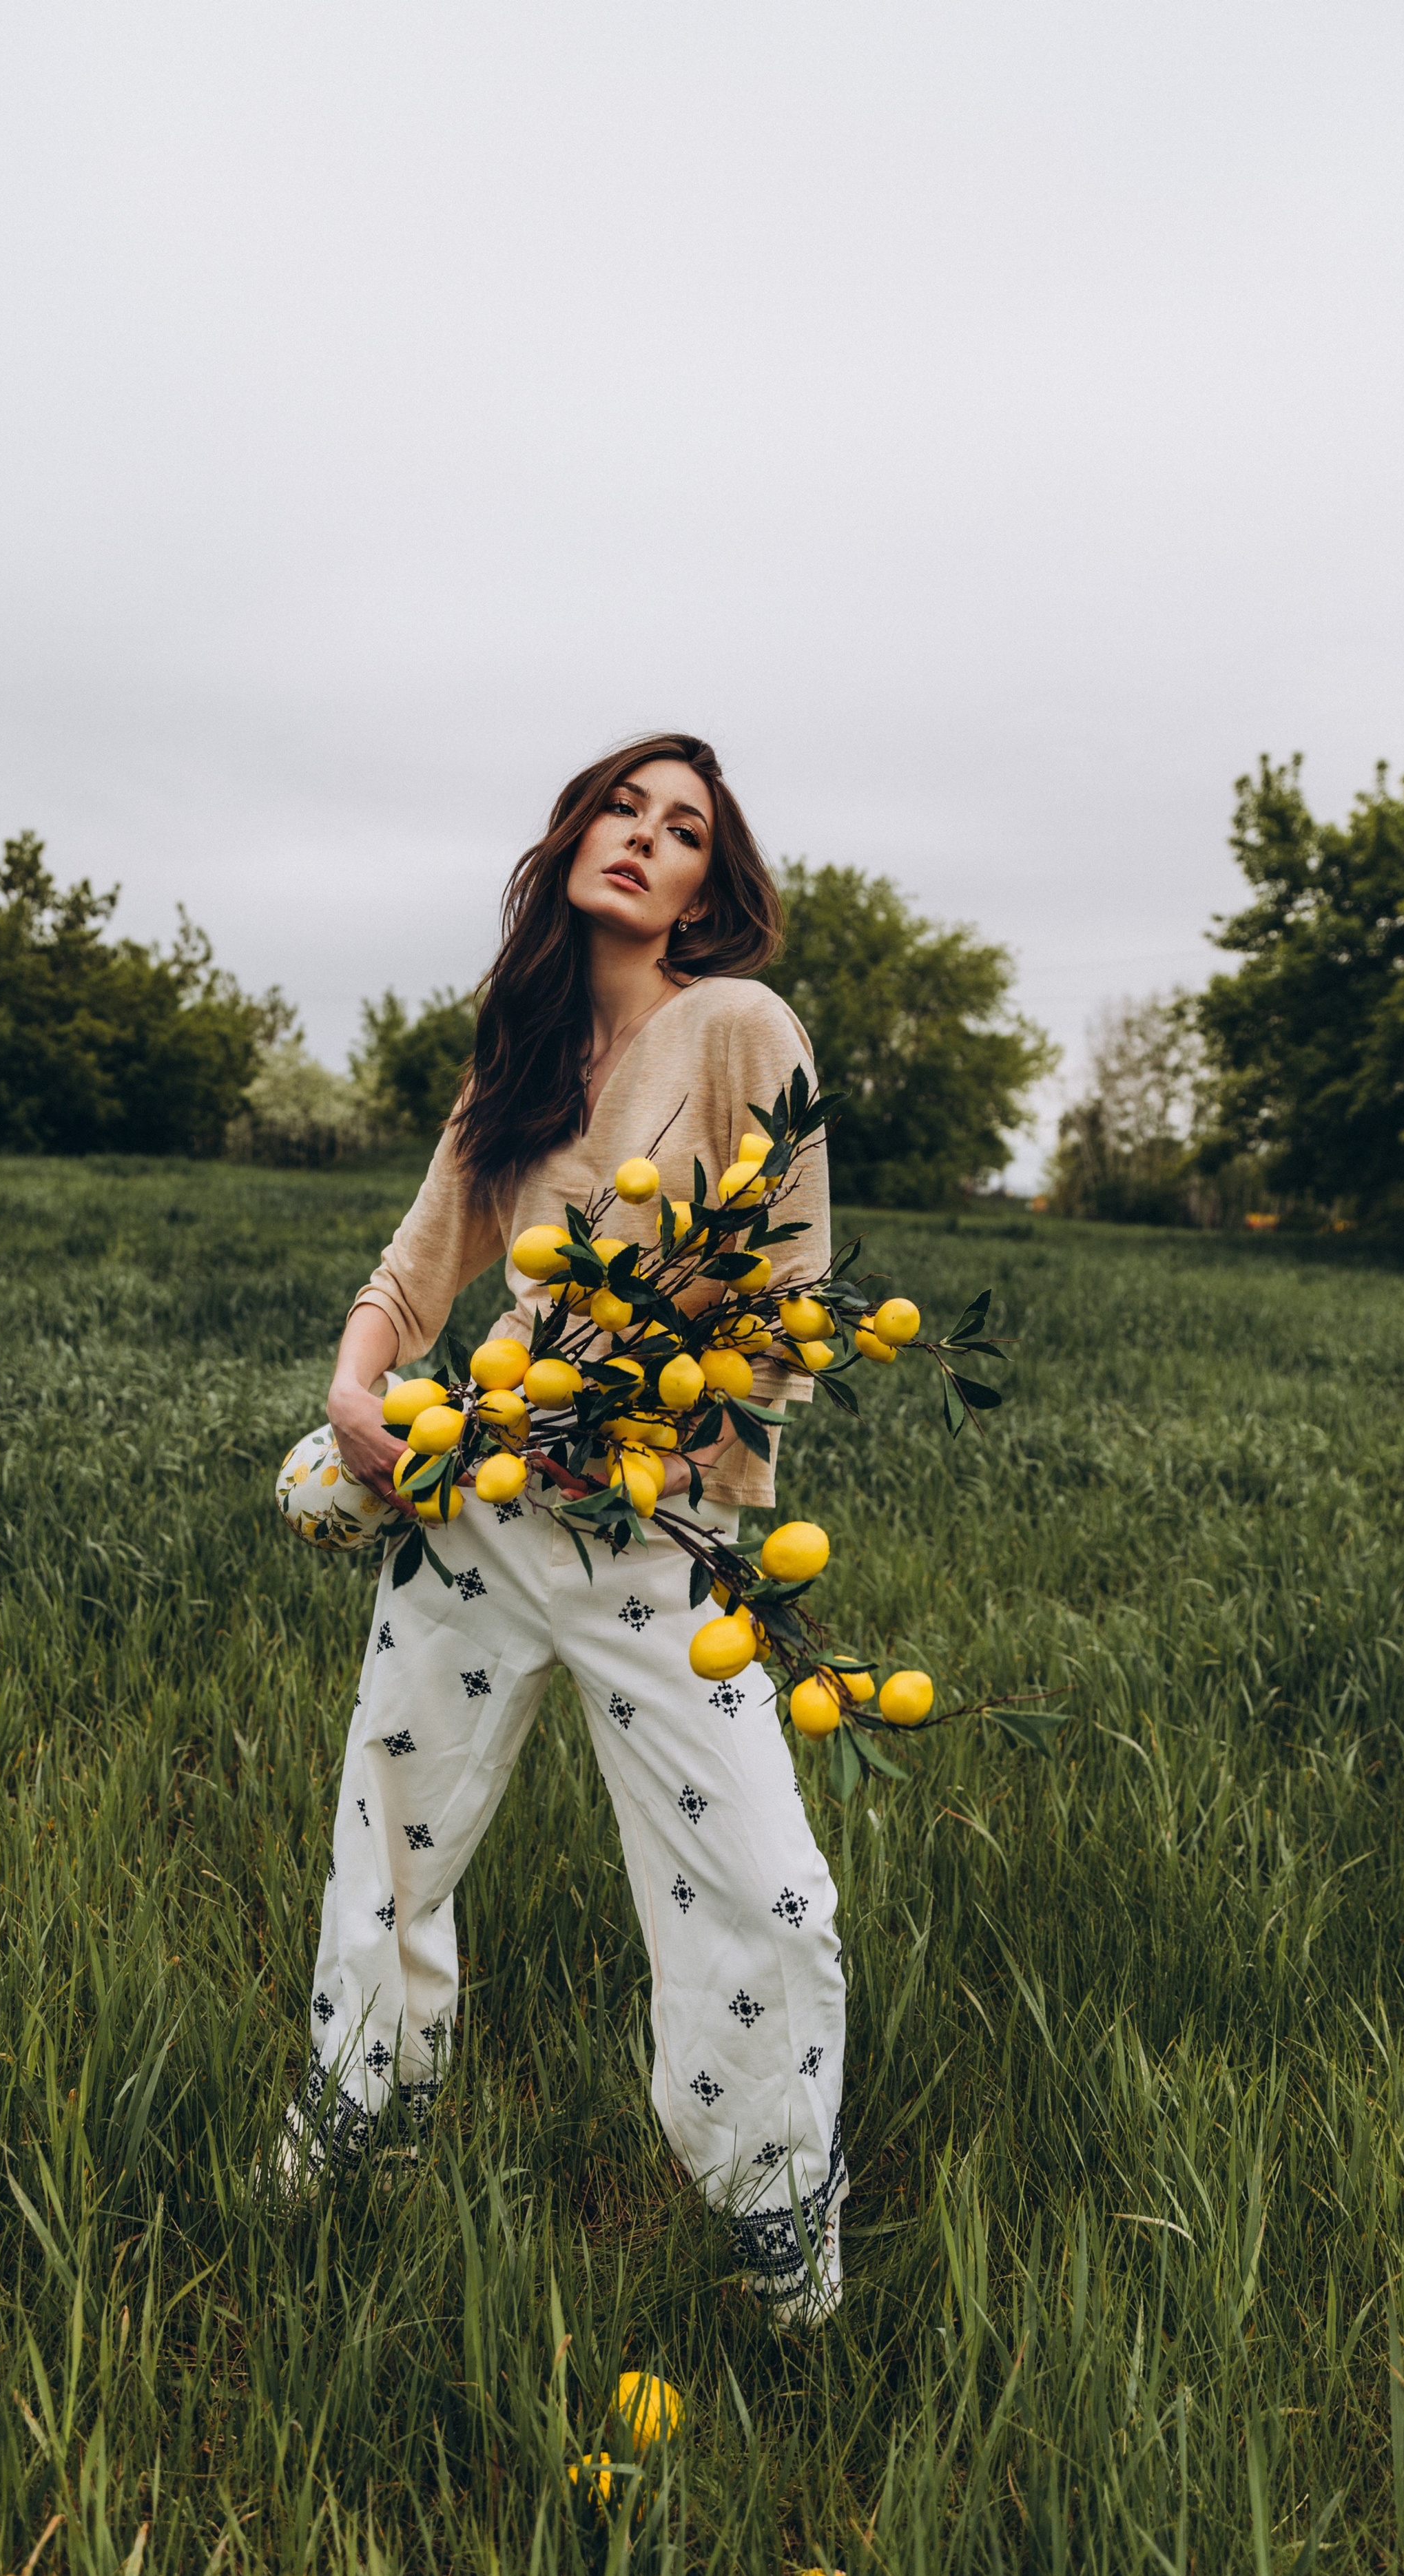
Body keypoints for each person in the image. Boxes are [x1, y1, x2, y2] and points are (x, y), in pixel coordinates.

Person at [304, 734, 848, 2324]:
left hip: (653, 1544)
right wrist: (355, 1391)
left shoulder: (736, 1029)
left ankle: (775, 2252)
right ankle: (346, 2147)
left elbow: (792, 1318)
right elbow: (418, 1266)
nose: (645, 837)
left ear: (703, 886)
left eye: (682, 829)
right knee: (388, 1855)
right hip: (471, 1528)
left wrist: (626, 1409)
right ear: (574, 837)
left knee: (769, 1896)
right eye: (623, 805)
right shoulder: (521, 1057)